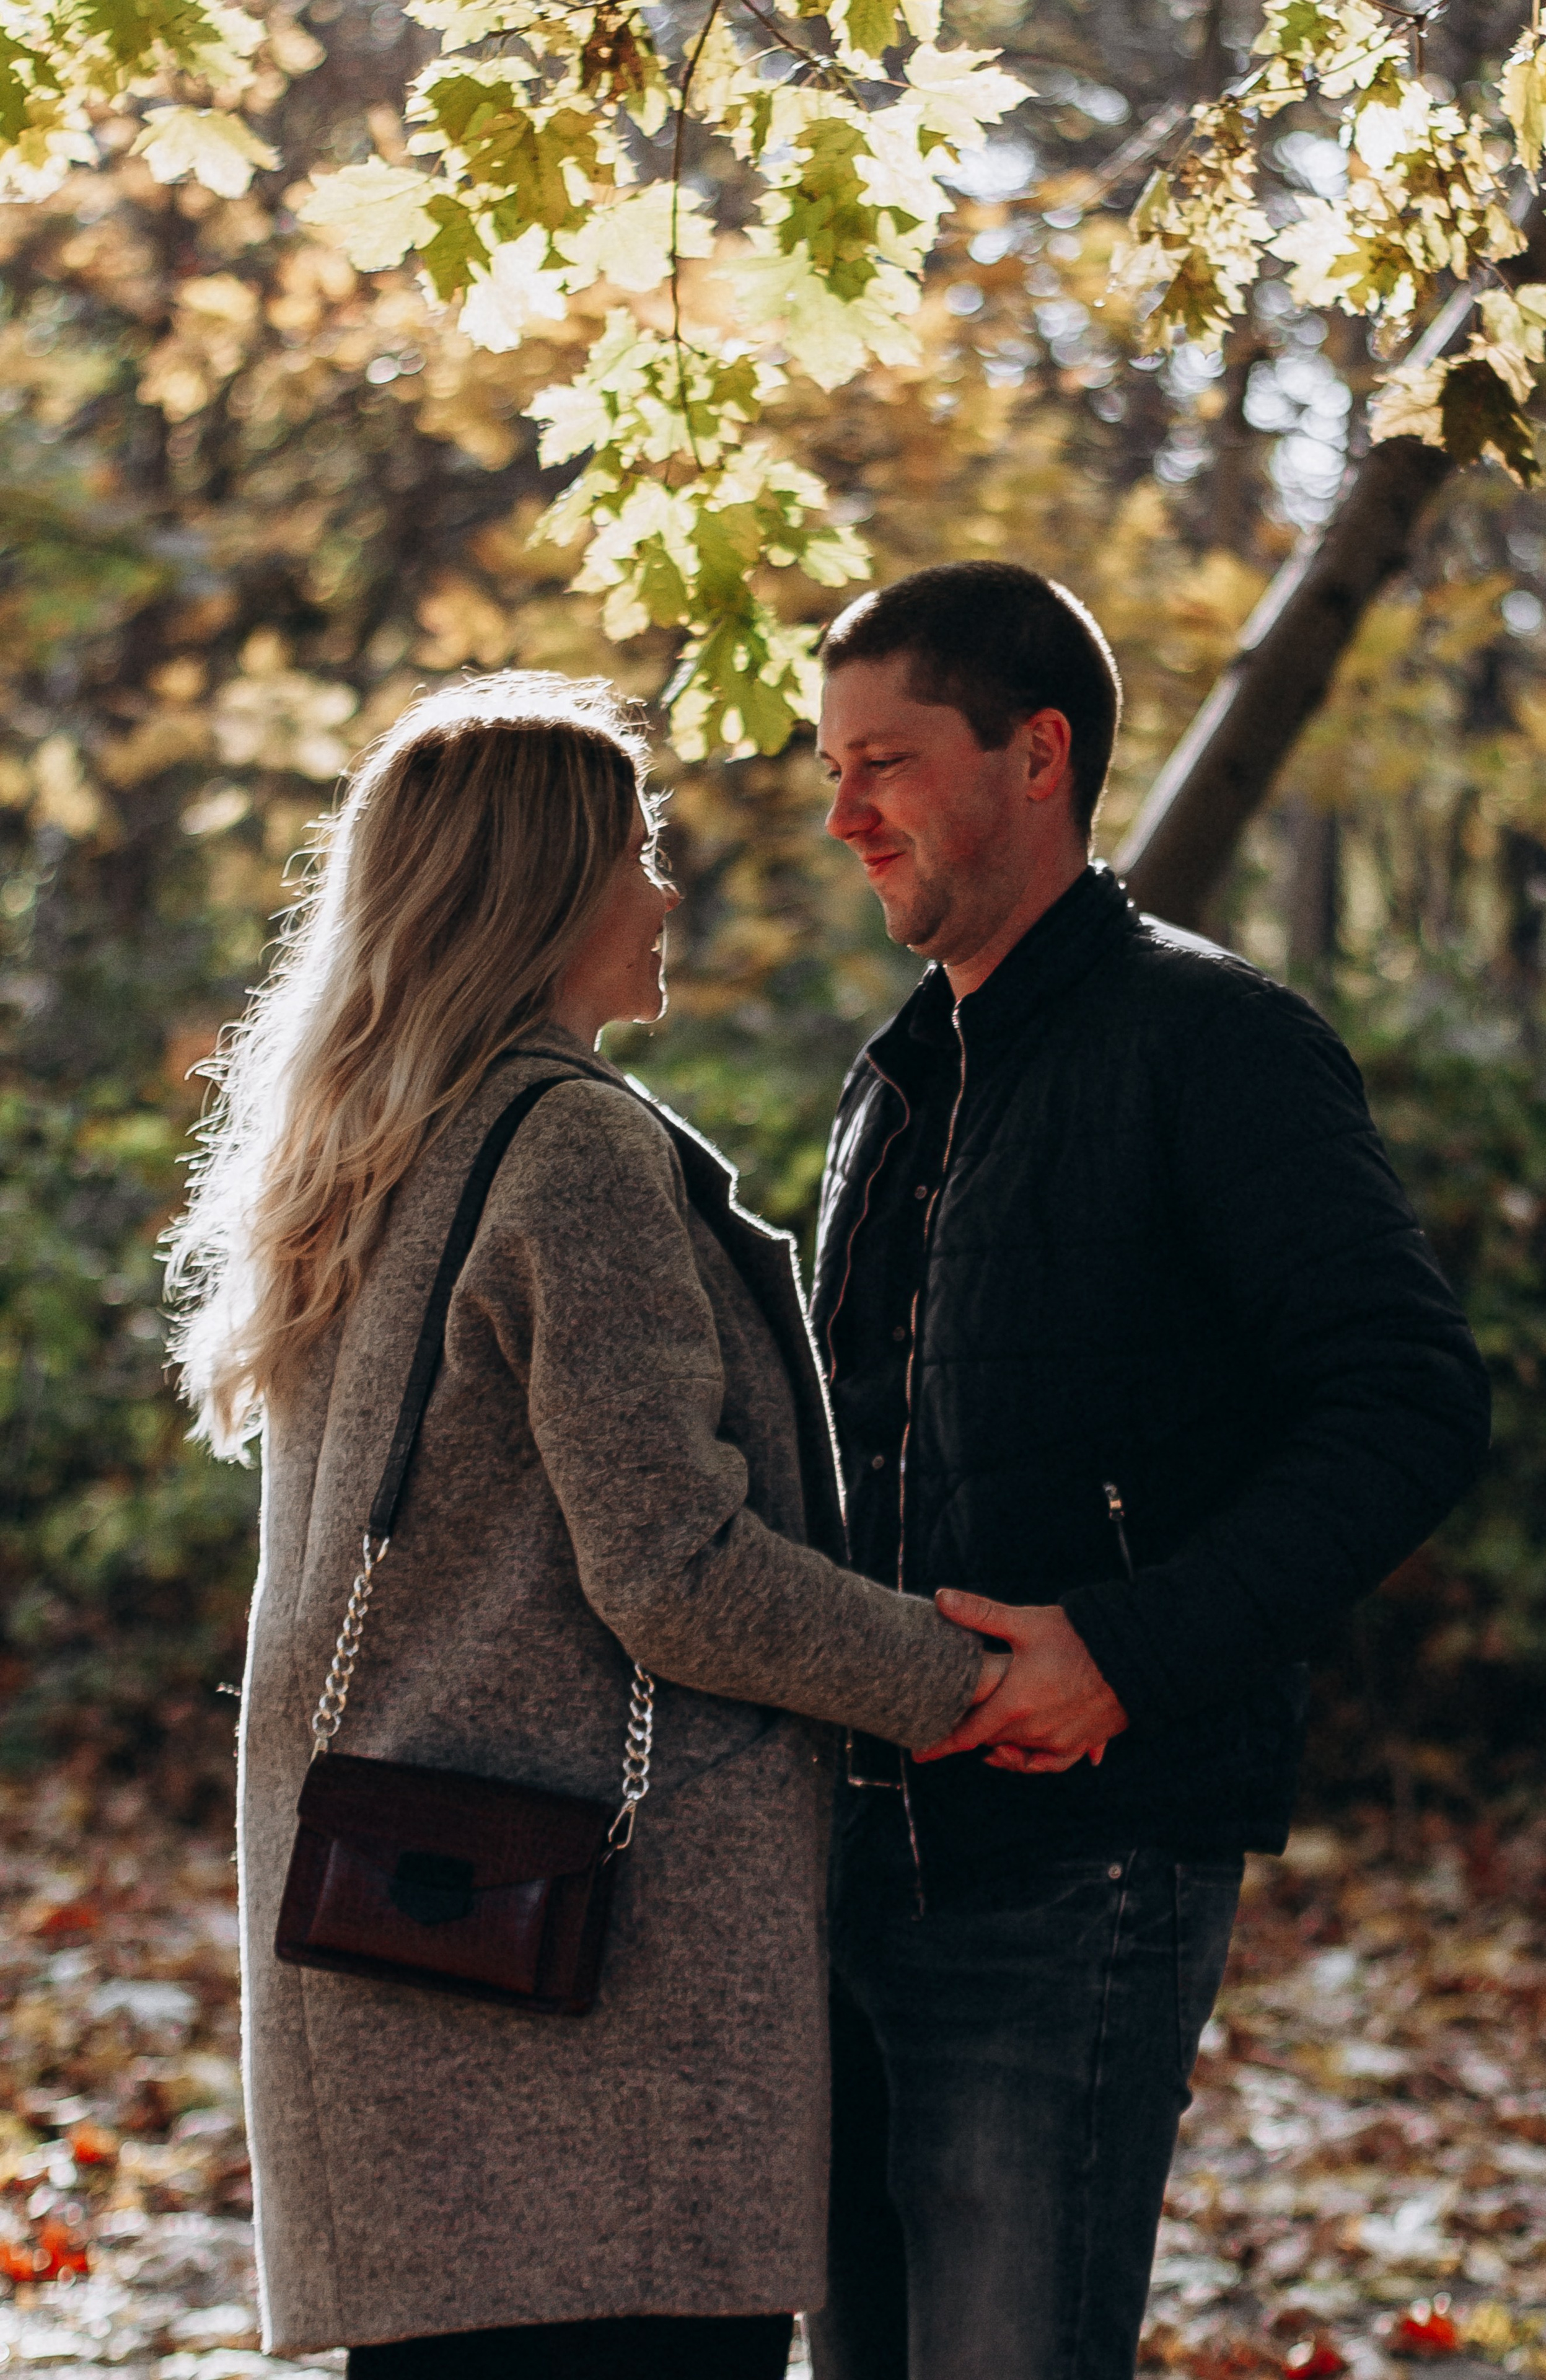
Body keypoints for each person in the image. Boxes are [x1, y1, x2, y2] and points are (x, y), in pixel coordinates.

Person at [166, 672, 1014, 2379]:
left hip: (410, 1971)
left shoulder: (365, 1153)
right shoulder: (569, 1152)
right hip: (591, 2022)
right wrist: (964, 1683)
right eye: (637, 847)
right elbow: (676, 1574)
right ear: (543, 888)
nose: (667, 891)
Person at [807, 561, 1491, 2380]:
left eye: (884, 761)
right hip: (845, 1872)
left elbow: (1411, 1402)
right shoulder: (888, 1086)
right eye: (830, 767)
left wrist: (1127, 1649)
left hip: (1077, 1874)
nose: (842, 810)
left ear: (1039, 756)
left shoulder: (1218, 1044)